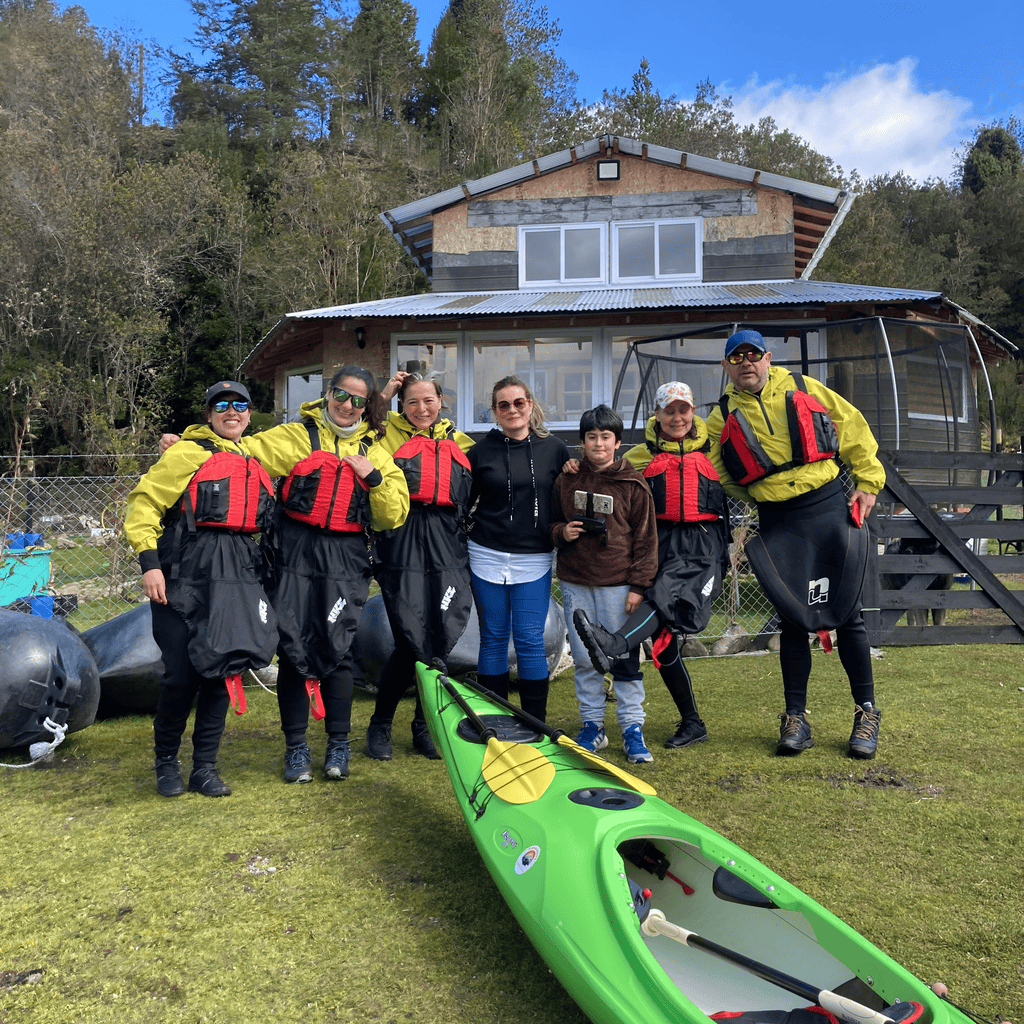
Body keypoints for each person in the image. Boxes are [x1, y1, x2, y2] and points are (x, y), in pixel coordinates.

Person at [704, 329, 886, 758]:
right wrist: (761, 498)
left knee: (849, 616)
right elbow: (718, 471)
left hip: (828, 511)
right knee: (792, 619)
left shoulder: (804, 387)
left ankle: (867, 713)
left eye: (753, 355)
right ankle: (795, 719)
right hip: (779, 522)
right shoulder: (722, 415)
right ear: (727, 367)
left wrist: (869, 482)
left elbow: (853, 426)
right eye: (736, 358)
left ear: (767, 358)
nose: (746, 363)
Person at [246, 365, 409, 783]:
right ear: (328, 392)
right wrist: (186, 441)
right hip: (295, 551)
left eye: (358, 400)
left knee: (339, 647)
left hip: (346, 555)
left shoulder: (375, 450)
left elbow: (394, 514)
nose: (347, 405)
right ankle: (296, 748)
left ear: (367, 405)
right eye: (341, 394)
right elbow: (238, 450)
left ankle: (338, 744)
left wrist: (372, 478)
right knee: (295, 648)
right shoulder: (296, 437)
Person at [125, 381, 278, 798]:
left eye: (240, 405)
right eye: (222, 405)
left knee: (220, 671)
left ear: (250, 414)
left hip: (237, 576)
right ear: (208, 414)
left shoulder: (255, 458)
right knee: (180, 674)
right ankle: (165, 764)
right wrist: (150, 565)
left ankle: (205, 769)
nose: (232, 412)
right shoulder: (186, 454)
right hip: (183, 575)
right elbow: (145, 505)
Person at [573, 383, 730, 750]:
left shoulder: (715, 456)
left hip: (703, 546)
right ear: (656, 415)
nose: (677, 418)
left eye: (684, 410)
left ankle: (616, 643)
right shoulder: (641, 458)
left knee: (665, 607)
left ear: (693, 413)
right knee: (663, 642)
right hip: (663, 544)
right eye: (669, 411)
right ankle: (693, 722)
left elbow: (750, 486)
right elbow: (602, 473)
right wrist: (573, 465)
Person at [364, 367, 475, 761]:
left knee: (441, 636)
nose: (422, 408)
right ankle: (380, 724)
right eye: (412, 401)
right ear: (401, 405)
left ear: (441, 402)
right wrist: (386, 390)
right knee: (410, 637)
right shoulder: (385, 433)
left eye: (429, 400)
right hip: (402, 540)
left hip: (447, 543)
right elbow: (357, 419)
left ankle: (422, 726)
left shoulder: (460, 441)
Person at [550, 405, 659, 764]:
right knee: (584, 658)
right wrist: (561, 532)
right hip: (576, 580)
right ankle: (592, 726)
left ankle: (632, 728)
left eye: (606, 437)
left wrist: (638, 586)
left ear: (618, 442)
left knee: (623, 656)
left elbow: (646, 540)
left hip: (618, 584)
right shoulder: (567, 479)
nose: (599, 443)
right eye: (592, 437)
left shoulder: (634, 485)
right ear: (582, 442)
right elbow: (550, 524)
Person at [467, 375, 571, 722]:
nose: (512, 410)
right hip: (486, 555)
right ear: (495, 412)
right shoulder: (480, 451)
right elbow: (462, 503)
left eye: (518, 403)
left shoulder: (554, 448)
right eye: (503, 405)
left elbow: (568, 495)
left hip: (534, 558)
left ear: (530, 405)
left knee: (529, 639)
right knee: (493, 637)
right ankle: (495, 721)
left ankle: (534, 722)